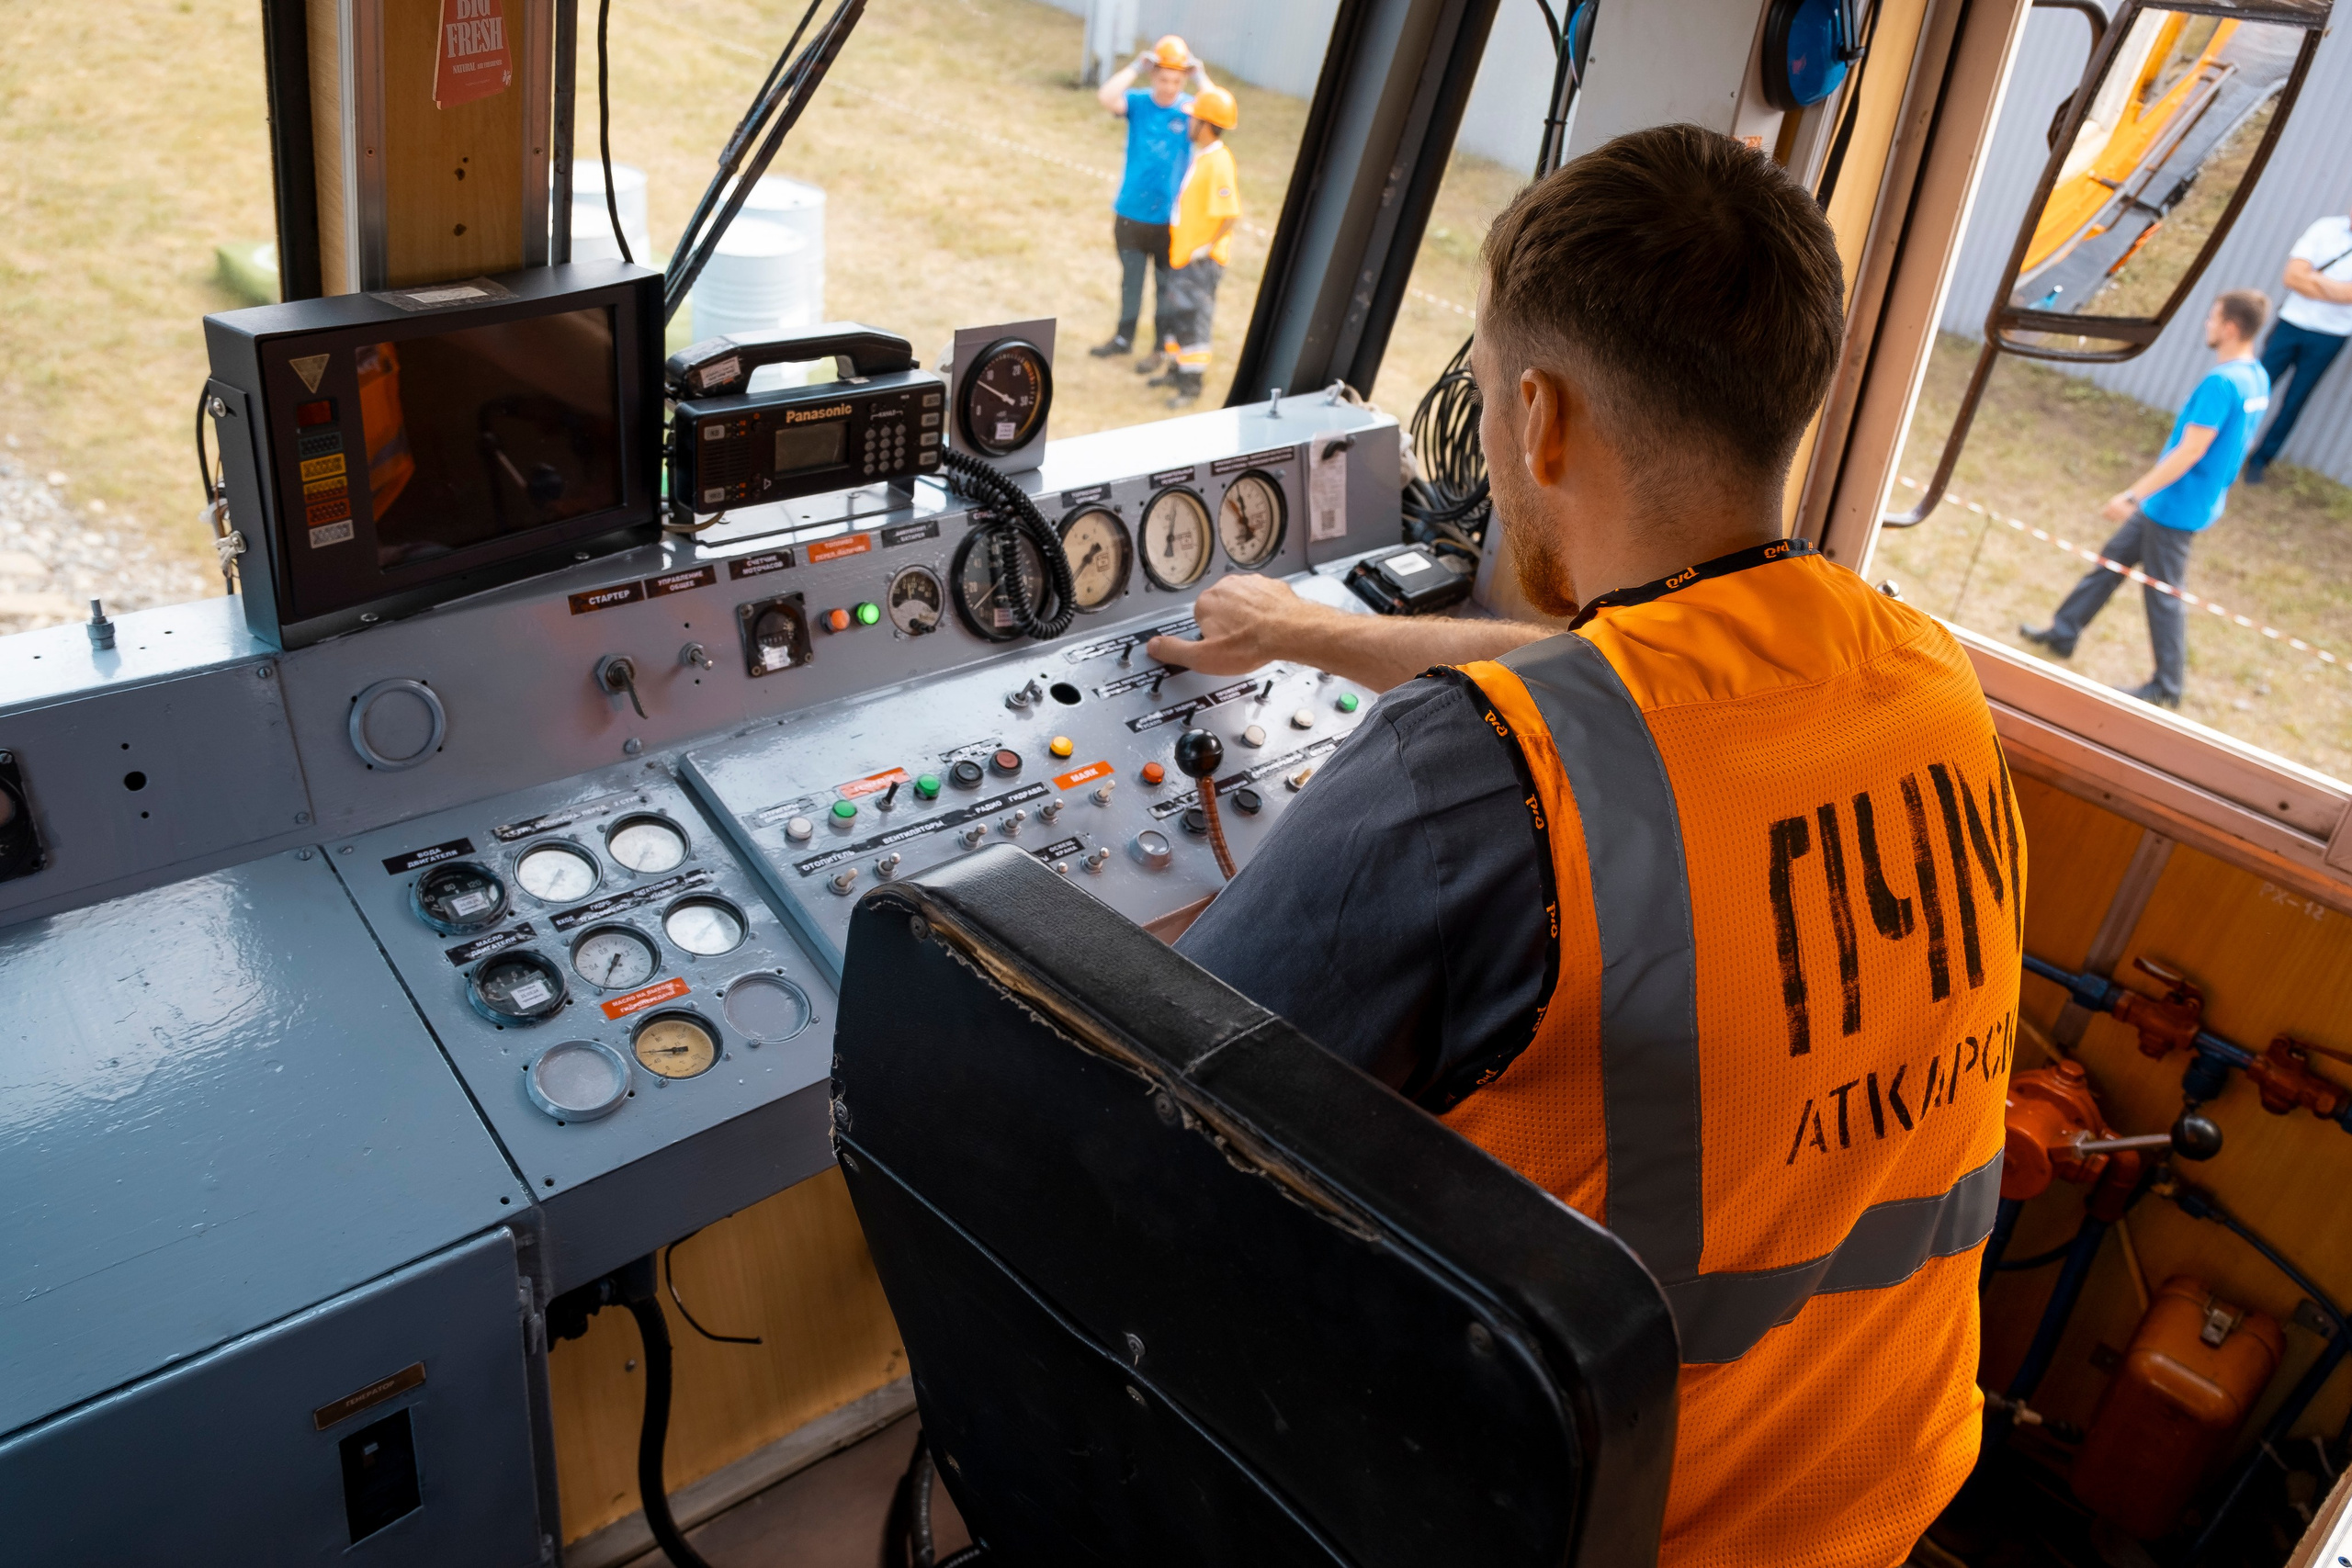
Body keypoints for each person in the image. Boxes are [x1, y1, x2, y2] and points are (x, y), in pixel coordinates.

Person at [1154, 125, 2024, 1568]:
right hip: (1884, 1480)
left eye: (1489, 399)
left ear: (1540, 418)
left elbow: (1163, 1094)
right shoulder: (1930, 680)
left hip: (1606, 1523)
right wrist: (1318, 635)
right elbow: (1647, 683)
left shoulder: (1470, 770)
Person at [2020, 290, 2271, 708]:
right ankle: (2064, 632)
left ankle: (2167, 686)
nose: (2207, 325)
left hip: (2175, 505)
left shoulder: (2222, 383)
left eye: (2212, 318)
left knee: (2163, 594)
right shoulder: (2257, 377)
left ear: (2229, 327)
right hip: (2186, 501)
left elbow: (2191, 451)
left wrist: (2134, 494)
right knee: (2111, 561)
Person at [1090, 36, 1206, 369]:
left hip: (1169, 220)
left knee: (1166, 288)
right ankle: (1123, 338)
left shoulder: (1190, 111)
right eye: (1163, 79)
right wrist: (1136, 67)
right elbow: (1106, 96)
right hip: (1130, 213)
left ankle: (1160, 347)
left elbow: (1216, 111)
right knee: (1131, 282)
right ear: (1153, 76)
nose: (1169, 87)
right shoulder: (1139, 103)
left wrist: (1200, 77)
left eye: (1177, 80)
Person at [2245, 209, 2352, 482]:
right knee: (2255, 387)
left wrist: (2314, 277)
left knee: (2295, 400)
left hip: (2331, 335)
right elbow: (2292, 277)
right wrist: (2334, 288)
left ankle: (2260, 459)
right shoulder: (2326, 227)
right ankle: (2227, 444)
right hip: (2291, 323)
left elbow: (2348, 295)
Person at [1153, 85, 1241, 408]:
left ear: (1206, 124)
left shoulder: (1219, 162)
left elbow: (1230, 214)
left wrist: (1207, 248)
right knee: (1177, 315)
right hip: (1184, 256)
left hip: (1200, 261)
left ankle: (1191, 386)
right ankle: (1176, 371)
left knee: (1193, 320)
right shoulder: (1203, 157)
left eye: (1193, 119)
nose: (1188, 123)